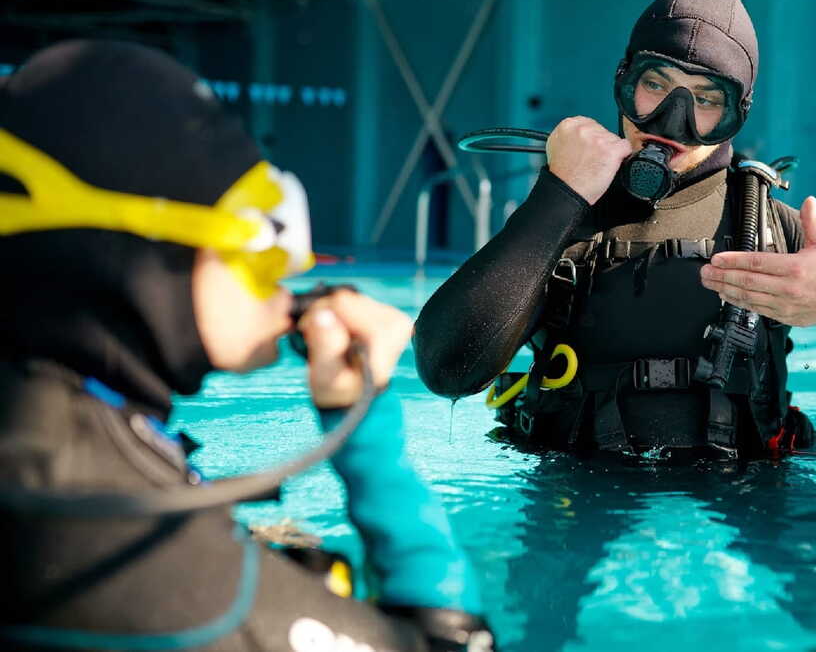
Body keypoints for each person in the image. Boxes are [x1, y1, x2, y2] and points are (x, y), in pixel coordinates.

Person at [0, 41, 495, 651]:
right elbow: (457, 642)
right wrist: (369, 430)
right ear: (142, 255)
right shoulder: (115, 531)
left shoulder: (41, 419)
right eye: (256, 248)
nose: (284, 282)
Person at [414, 0, 816, 459]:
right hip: (581, 482)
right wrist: (559, 193)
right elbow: (448, 370)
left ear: (736, 115)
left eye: (704, 100)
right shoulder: (561, 219)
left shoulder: (777, 228)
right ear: (624, 81)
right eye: (655, 85)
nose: (671, 119)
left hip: (751, 480)